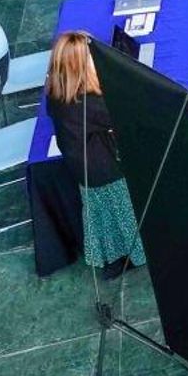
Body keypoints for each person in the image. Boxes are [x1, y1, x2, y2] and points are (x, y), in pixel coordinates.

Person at [41, 30, 149, 284]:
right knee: (124, 212)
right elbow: (123, 114)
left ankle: (109, 256)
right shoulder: (89, 103)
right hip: (105, 169)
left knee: (102, 215)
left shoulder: (58, 93)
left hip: (84, 169)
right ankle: (138, 253)